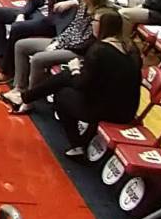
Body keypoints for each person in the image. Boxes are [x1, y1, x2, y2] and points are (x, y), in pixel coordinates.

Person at [52, 11, 144, 154]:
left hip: (109, 110)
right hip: (128, 109)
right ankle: (26, 97)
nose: (92, 24)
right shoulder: (131, 47)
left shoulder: (99, 50)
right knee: (66, 78)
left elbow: (81, 85)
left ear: (103, 26)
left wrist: (75, 69)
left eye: (94, 21)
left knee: (62, 94)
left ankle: (77, 145)